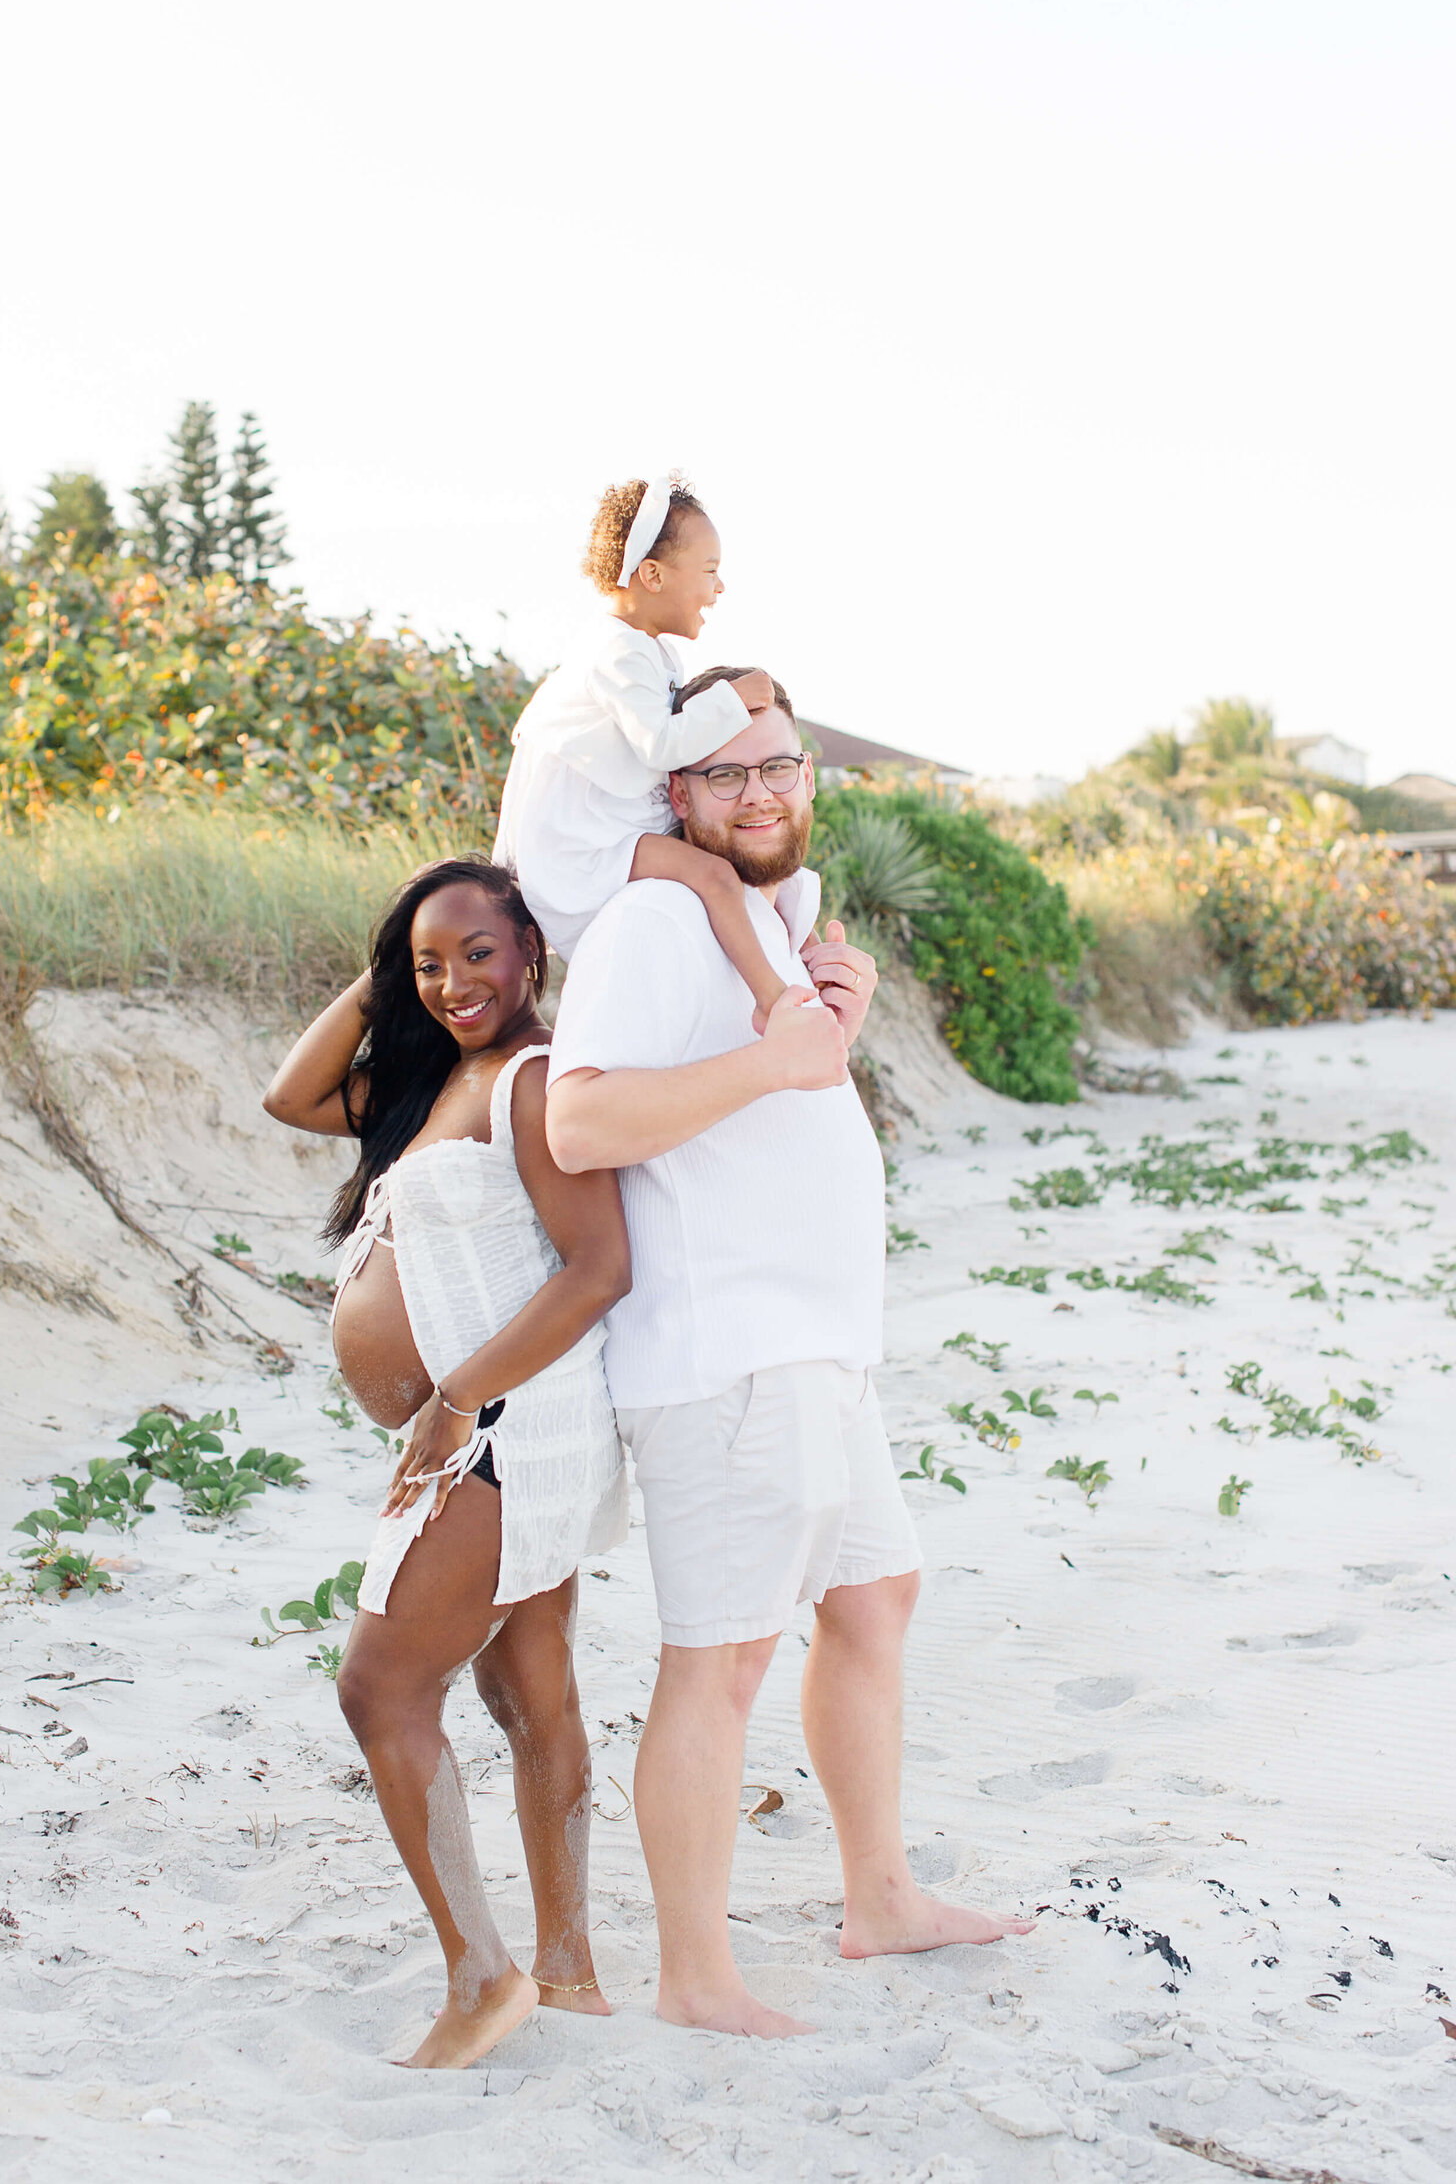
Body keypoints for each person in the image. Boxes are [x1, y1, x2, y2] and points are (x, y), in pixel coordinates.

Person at [545, 670, 1034, 2037]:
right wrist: (775, 1061)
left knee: (876, 1599)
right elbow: (581, 1127)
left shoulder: (767, 922)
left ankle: (878, 1898)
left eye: (781, 766)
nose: (761, 793)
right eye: (726, 775)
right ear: (678, 799)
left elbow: (782, 1096)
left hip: (819, 1349)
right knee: (722, 1660)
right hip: (727, 1355)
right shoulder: (651, 923)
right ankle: (696, 1978)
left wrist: (827, 1033)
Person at [262, 859, 630, 2069]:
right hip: (503, 1431)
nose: (456, 979)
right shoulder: (437, 1077)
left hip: (500, 1432)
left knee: (379, 1689)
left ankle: (486, 1980)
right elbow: (290, 1093)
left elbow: (597, 1266)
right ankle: (566, 1970)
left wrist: (455, 1396)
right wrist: (388, 986)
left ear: (532, 946)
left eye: (480, 951)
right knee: (527, 1689)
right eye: (431, 961)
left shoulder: (530, 1080)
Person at [493, 472, 818, 1030]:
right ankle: (772, 997)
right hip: (584, 847)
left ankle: (798, 945)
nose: (720, 589)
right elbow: (660, 745)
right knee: (715, 876)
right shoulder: (616, 651)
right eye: (710, 572)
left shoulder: (644, 652)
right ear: (652, 575)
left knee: (738, 862)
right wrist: (732, 701)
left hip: (604, 829)